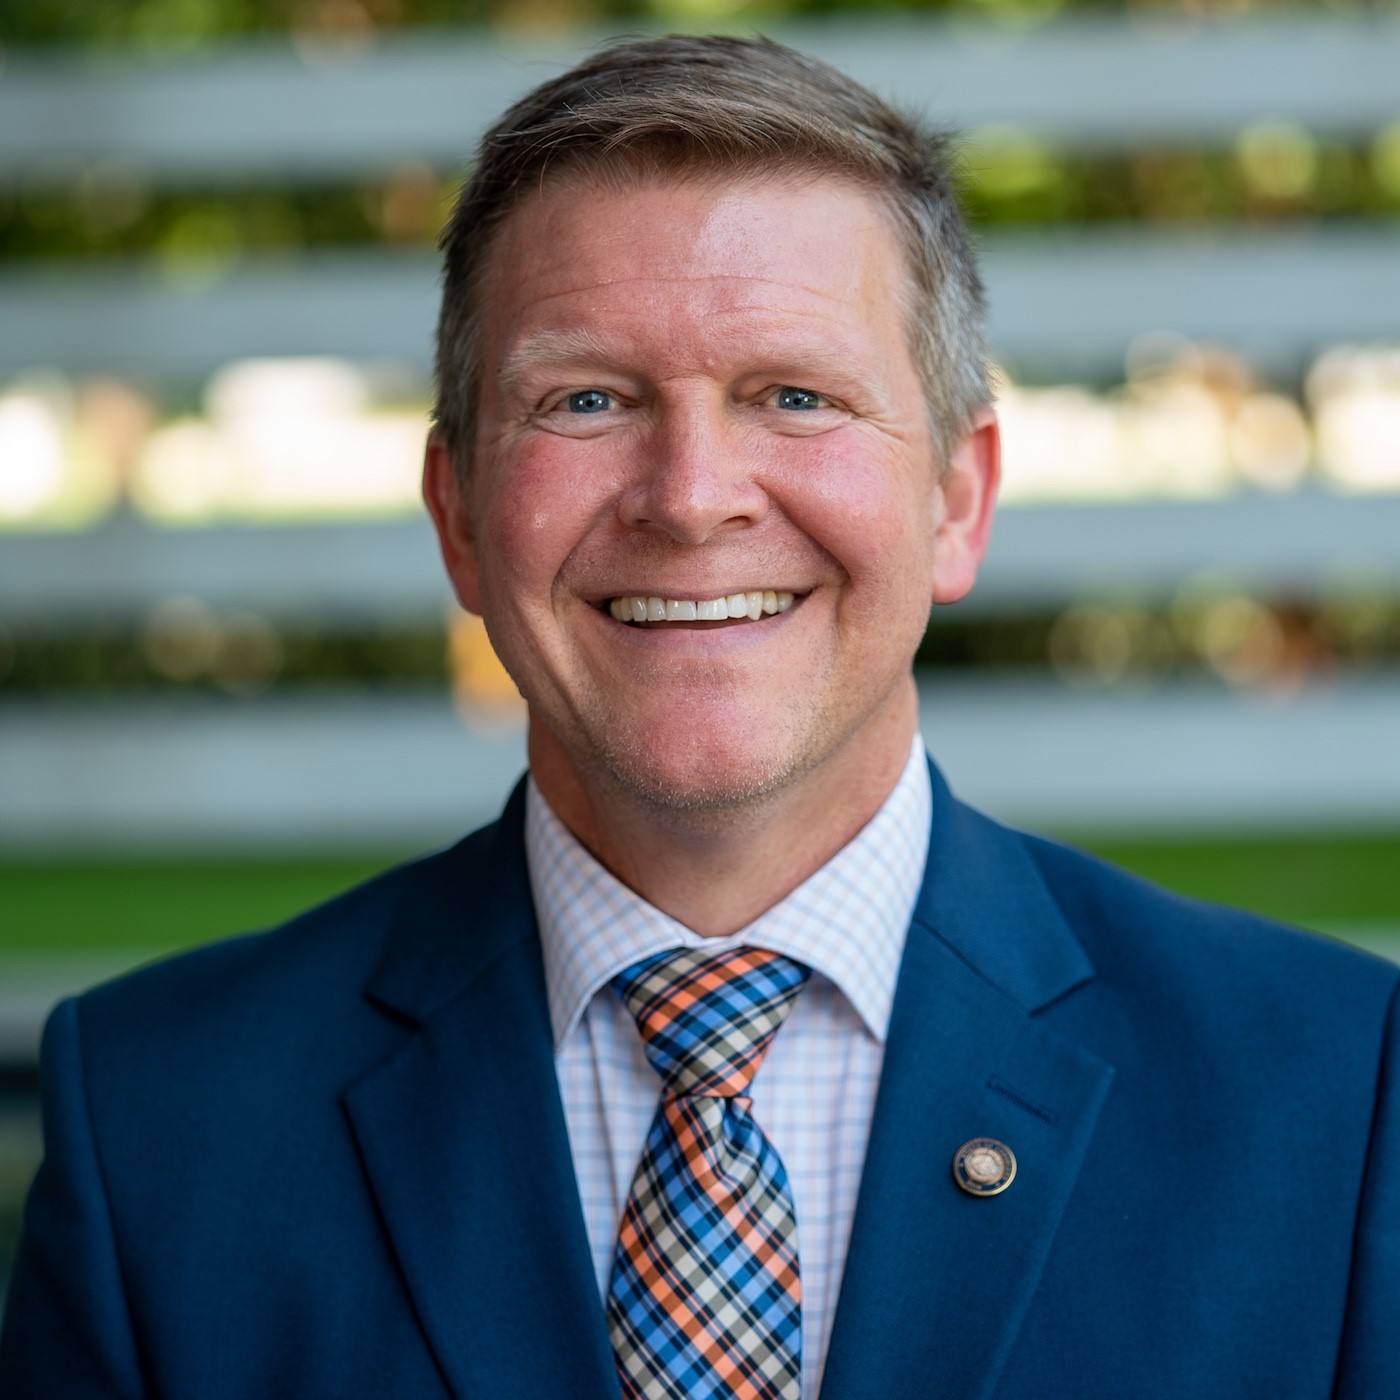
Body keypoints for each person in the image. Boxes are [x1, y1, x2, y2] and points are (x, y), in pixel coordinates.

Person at [1, 34, 1395, 1400]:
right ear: (460, 517)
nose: (689, 495)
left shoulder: (1336, 1097)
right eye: (586, 400)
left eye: (793, 395)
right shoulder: (161, 1122)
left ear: (957, 499)